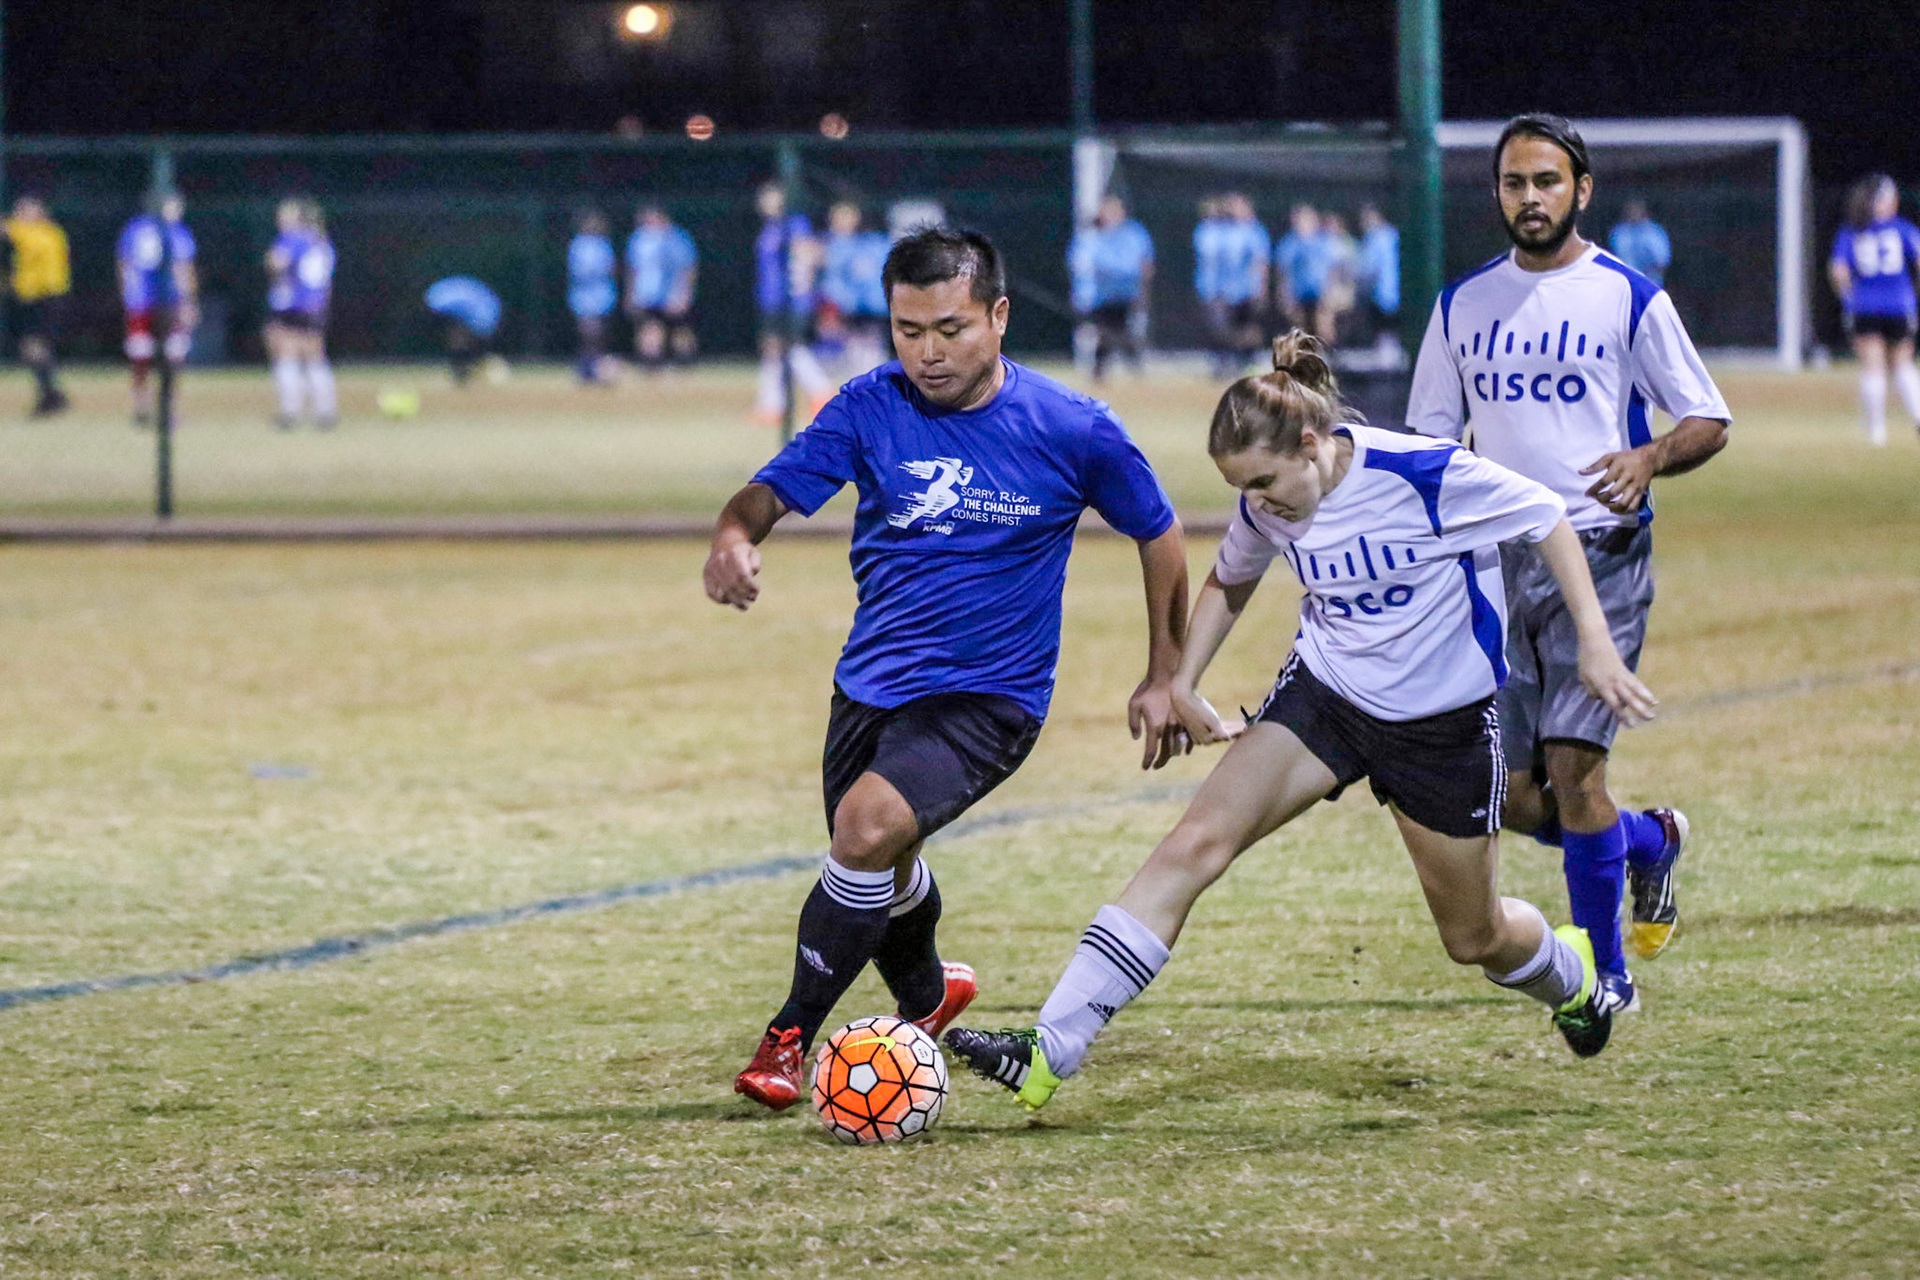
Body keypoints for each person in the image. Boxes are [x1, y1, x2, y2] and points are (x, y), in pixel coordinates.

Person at [945, 333, 1657, 1106]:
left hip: (1440, 725)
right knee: (1195, 843)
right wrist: (1184, 681)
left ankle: (1573, 977)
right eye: (1242, 489)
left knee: (1474, 937)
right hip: (1325, 698)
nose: (1259, 502)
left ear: (1312, 444)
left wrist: (1594, 642)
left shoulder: (1420, 474)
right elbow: (1231, 576)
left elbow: (1547, 515)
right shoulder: (1271, 505)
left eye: (1265, 482)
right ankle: (1053, 1044)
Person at [707, 227, 1189, 1111]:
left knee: (863, 829)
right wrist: (734, 536)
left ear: (999, 317)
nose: (928, 352)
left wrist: (1166, 674)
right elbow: (768, 492)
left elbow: (1159, 534)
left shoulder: (1072, 427)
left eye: (952, 328)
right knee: (881, 863)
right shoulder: (867, 406)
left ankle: (786, 1039)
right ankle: (930, 1000)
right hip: (870, 688)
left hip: (990, 699)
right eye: (909, 329)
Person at [1405, 113, 1730, 1015]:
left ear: (1580, 191)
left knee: (1574, 767)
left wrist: (1650, 458)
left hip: (1604, 555)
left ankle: (1604, 975)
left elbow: (1707, 415)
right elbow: (1431, 443)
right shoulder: (1462, 305)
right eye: (1514, 183)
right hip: (1497, 569)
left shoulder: (1627, 296)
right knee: (1507, 790)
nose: (1531, 198)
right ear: (1499, 194)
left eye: (1547, 182)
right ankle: (1646, 841)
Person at [1828, 174, 1920, 447]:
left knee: (1873, 365)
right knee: (1903, 362)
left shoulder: (1851, 231)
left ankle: (1876, 432)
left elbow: (1839, 271)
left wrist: (1848, 300)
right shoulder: (1903, 228)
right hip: (1899, 305)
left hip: (1864, 305)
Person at [751, 181, 832, 424]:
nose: (766, 201)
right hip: (771, 298)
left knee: (789, 347)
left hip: (790, 299)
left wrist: (801, 286)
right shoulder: (771, 227)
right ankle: (773, 404)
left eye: (771, 196)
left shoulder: (794, 223)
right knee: (774, 349)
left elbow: (811, 254)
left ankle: (821, 393)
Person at [117, 190, 198, 426]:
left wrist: (127, 296)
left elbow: (123, 265)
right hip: (164, 303)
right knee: (167, 358)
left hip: (141, 303)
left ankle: (144, 408)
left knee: (143, 357)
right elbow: (184, 270)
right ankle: (162, 410)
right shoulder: (175, 232)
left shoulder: (134, 229)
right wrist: (189, 302)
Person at [264, 198, 337, 429]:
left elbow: (276, 262)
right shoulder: (322, 243)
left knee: (285, 351)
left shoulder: (293, 239)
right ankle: (325, 411)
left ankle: (291, 411)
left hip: (294, 304)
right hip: (315, 305)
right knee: (315, 355)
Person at [1070, 194, 1154, 380]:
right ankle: (1102, 368)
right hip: (1100, 295)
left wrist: (1143, 291)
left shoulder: (1134, 234)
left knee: (1122, 329)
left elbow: (1145, 263)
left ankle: (1133, 366)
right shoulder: (1091, 236)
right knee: (1105, 330)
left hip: (1126, 293)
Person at [3, 194, 71, 417]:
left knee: (35, 346)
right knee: (33, 348)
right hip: (33, 298)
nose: (20, 215)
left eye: (26, 210)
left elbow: (13, 232)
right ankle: (50, 393)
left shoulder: (45, 234)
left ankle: (51, 395)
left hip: (44, 298)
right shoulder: (38, 232)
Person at [1194, 193, 1270, 378]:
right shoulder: (1220, 231)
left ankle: (1249, 361)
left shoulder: (1255, 231)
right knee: (1222, 327)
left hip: (1247, 289)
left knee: (1247, 328)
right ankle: (1224, 363)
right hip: (1225, 290)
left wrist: (1260, 287)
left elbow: (1260, 262)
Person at [816, 200, 891, 378]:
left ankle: (871, 384)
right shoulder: (834, 243)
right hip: (851, 306)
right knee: (856, 347)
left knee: (870, 346)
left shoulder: (873, 243)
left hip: (869, 306)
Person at [625, 204, 698, 371]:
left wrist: (683, 293)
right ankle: (651, 365)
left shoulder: (677, 238)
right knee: (650, 327)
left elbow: (688, 268)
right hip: (647, 293)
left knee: (680, 329)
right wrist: (631, 294)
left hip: (672, 293)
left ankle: (684, 363)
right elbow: (632, 269)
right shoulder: (639, 238)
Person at [567, 208, 618, 385]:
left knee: (600, 334)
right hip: (584, 297)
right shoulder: (578, 245)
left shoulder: (603, 244)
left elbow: (610, 269)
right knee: (589, 332)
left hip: (602, 296)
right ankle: (587, 368)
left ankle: (596, 369)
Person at [1274, 203, 1333, 346]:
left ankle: (1327, 355)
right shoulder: (1289, 243)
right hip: (1297, 293)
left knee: (1323, 325)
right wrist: (1285, 295)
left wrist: (1329, 292)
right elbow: (1283, 272)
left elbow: (1330, 269)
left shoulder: (1322, 242)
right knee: (1299, 328)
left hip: (1319, 292)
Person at [424, 276, 501, 384]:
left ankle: (470, 369)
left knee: (461, 346)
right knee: (459, 346)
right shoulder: (442, 297)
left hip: (480, 320)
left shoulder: (479, 316)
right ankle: (464, 371)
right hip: (478, 319)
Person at [1356, 202, 1402, 357]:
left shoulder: (1374, 237)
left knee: (1382, 329)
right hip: (1396, 291)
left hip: (1380, 293)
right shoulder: (1393, 233)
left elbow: (1369, 269)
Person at [1608, 200, 1672, 287]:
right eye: (1630, 210)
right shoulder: (1619, 232)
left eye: (1636, 210)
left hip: (1650, 283)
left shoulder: (1654, 232)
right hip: (1625, 284)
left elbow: (1662, 261)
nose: (1633, 213)